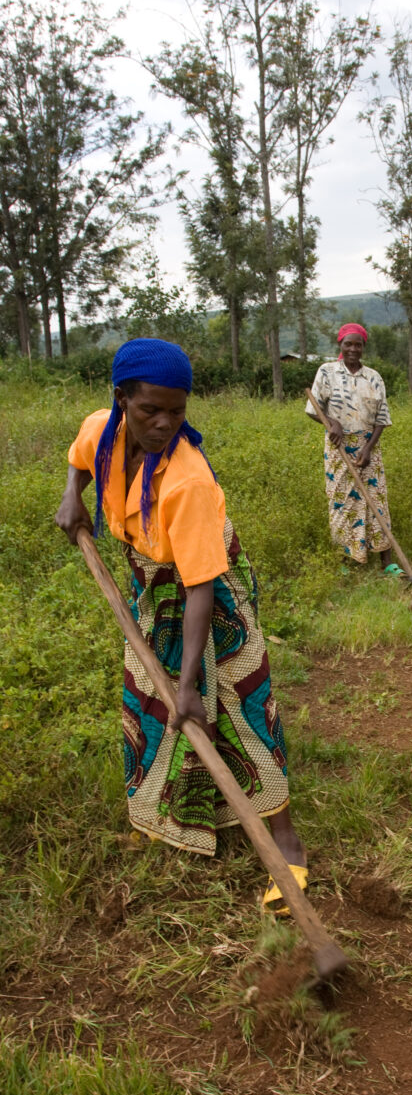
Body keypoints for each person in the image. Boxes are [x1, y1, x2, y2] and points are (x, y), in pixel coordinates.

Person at [55, 338, 306, 912]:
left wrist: (190, 683)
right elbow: (80, 458)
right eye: (151, 410)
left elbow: (200, 587)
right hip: (151, 577)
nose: (165, 422)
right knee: (151, 695)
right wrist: (73, 496)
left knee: (241, 697)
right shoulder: (103, 429)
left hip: (211, 588)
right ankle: (169, 816)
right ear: (122, 400)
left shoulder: (187, 481)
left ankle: (286, 837)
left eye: (178, 411)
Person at [307, 323, 403, 576]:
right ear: (340, 345)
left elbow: (382, 418)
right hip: (338, 447)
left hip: (368, 446)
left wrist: (369, 447)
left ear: (363, 347)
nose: (352, 349)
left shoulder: (373, 377)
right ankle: (347, 560)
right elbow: (313, 408)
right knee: (342, 501)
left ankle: (387, 561)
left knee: (376, 500)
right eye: (348, 344)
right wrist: (331, 422)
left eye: (357, 344)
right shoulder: (327, 372)